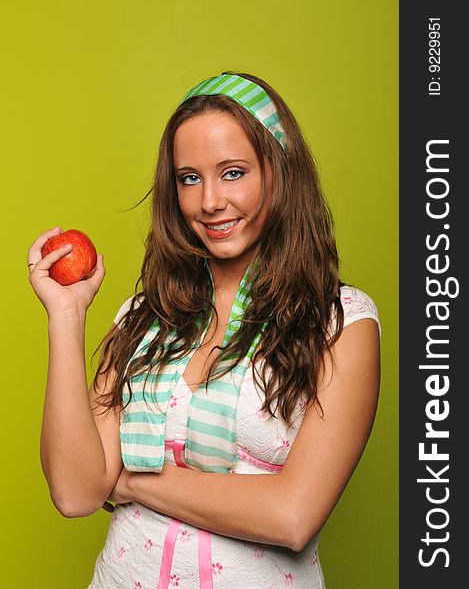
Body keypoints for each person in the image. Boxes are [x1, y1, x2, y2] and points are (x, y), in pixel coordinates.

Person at [28, 71, 381, 589]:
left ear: (279, 172)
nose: (209, 201)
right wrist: (66, 316)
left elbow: (292, 516)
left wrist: (132, 480)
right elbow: (77, 492)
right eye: (189, 177)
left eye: (233, 172)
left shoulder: (341, 322)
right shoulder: (145, 316)